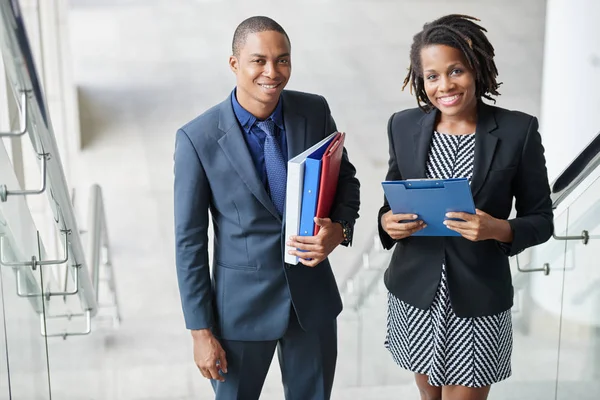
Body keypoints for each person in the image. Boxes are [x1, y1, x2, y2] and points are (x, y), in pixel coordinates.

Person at [173, 16, 360, 400]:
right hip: (239, 313)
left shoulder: (313, 111)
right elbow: (189, 242)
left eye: (283, 60)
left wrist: (339, 229)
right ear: (234, 64)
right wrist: (200, 331)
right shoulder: (197, 139)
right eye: (259, 61)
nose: (272, 72)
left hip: (311, 305)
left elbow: (346, 180)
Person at [378, 14, 553, 400]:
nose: (445, 86)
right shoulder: (403, 126)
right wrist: (387, 223)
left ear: (475, 69)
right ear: (421, 81)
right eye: (432, 76)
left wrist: (498, 229)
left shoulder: (516, 131)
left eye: (455, 70)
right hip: (415, 297)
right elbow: (390, 204)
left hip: (478, 299)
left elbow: (541, 220)